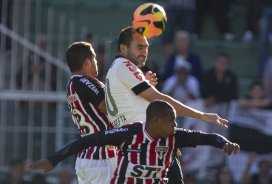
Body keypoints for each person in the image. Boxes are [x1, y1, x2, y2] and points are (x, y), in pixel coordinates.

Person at [105, 26, 228, 184]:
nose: (144, 52)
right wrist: (201, 115)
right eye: (139, 47)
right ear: (123, 48)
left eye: (146, 47)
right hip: (145, 144)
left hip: (137, 145)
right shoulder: (124, 66)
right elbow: (158, 99)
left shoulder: (116, 70)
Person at [26, 100, 240, 184]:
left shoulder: (175, 137)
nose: (175, 124)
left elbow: (207, 137)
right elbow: (90, 140)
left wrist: (224, 144)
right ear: (155, 121)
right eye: (171, 120)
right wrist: (52, 160)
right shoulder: (129, 133)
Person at [65, 41, 117, 184]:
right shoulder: (85, 81)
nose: (97, 62)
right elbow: (107, 107)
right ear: (87, 62)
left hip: (86, 158)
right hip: (101, 158)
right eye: (94, 59)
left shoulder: (71, 84)